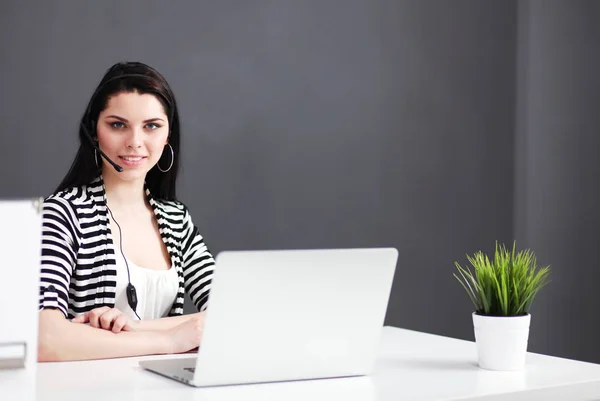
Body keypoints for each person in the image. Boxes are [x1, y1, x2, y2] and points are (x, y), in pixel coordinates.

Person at [38, 61, 215, 361]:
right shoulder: (62, 214)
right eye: (118, 125)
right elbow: (44, 337)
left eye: (151, 126)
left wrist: (135, 329)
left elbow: (232, 316)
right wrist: (171, 340)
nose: (135, 142)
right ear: (94, 131)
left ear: (168, 135)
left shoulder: (176, 220)